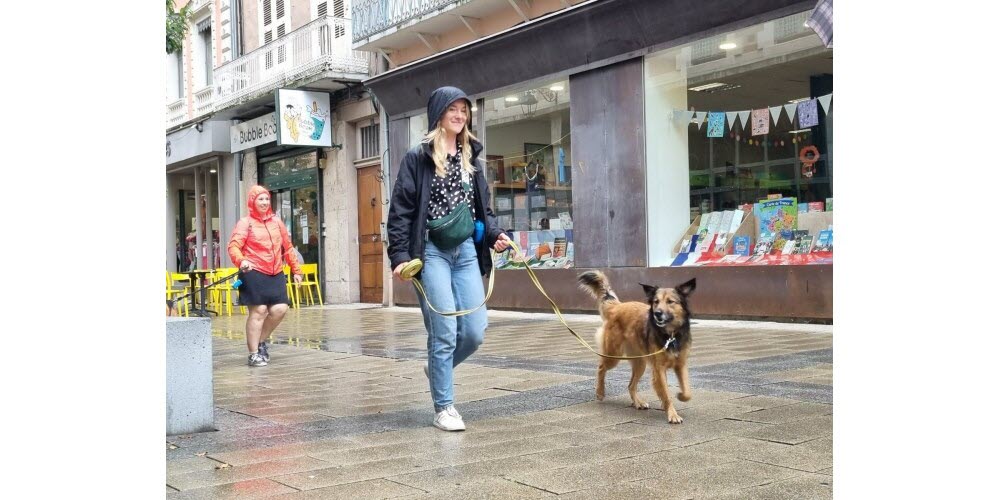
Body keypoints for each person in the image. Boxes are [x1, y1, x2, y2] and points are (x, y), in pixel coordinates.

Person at [387, 86, 512, 432]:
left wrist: (493, 235)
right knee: (444, 330)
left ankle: (436, 366)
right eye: (452, 109)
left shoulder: (471, 156)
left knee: (473, 331)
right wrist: (399, 254)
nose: (459, 115)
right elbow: (401, 210)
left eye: (464, 110)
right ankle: (444, 406)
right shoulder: (418, 157)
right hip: (431, 251)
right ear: (439, 114)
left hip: (466, 252)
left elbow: (482, 210)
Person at [228, 185, 303, 367]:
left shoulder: (277, 222)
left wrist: (296, 270)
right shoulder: (245, 223)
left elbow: (288, 247)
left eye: (266, 199)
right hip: (253, 270)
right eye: (260, 199)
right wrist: (241, 260)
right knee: (259, 310)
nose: (264, 202)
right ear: (252, 201)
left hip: (276, 271)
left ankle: (260, 341)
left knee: (280, 309)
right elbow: (233, 246)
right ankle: (254, 353)